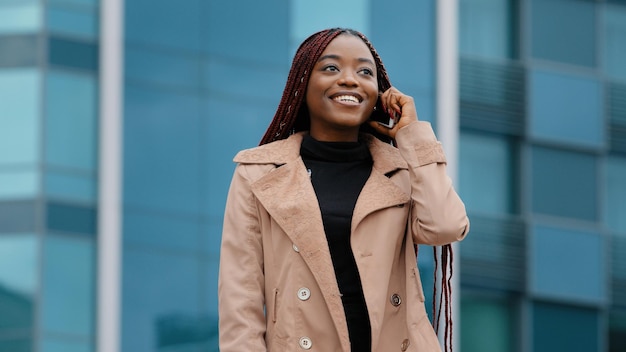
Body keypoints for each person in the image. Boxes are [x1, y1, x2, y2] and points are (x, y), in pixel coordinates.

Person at [218, 28, 469, 352]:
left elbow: (445, 226)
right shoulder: (258, 174)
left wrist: (412, 136)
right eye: (331, 68)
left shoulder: (403, 171)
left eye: (365, 72)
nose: (350, 79)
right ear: (302, 83)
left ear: (379, 93)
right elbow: (241, 305)